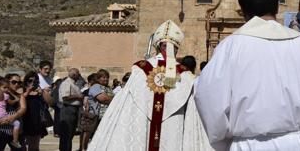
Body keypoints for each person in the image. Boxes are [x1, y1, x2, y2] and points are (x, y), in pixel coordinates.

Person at [195, 0, 300, 151]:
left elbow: (208, 98)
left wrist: (226, 143)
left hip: (248, 146)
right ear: (277, 7)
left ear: (243, 9)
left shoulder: (229, 47)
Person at [88, 19, 212, 151]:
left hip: (143, 129)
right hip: (172, 131)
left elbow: (125, 105)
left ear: (158, 45)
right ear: (176, 48)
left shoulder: (140, 70)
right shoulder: (185, 75)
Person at [0, 76, 22, 149]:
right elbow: (12, 102)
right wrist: (14, 96)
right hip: (1, 115)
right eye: (4, 88)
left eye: (8, 88)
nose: (7, 89)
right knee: (17, 123)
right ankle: (15, 141)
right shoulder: (5, 96)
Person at [21, 71, 51, 151]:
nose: (32, 83)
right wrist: (28, 91)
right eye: (30, 81)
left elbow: (50, 102)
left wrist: (43, 92)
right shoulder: (22, 91)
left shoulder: (39, 93)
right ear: (26, 82)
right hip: (24, 121)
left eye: (35, 81)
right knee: (20, 147)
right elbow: (18, 101)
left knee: (34, 147)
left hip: (36, 123)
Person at [58, 68, 83, 151]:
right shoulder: (67, 83)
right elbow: (65, 97)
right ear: (74, 75)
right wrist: (78, 96)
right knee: (66, 135)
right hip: (68, 109)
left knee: (70, 135)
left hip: (73, 110)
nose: (79, 76)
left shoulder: (73, 84)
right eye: (78, 74)